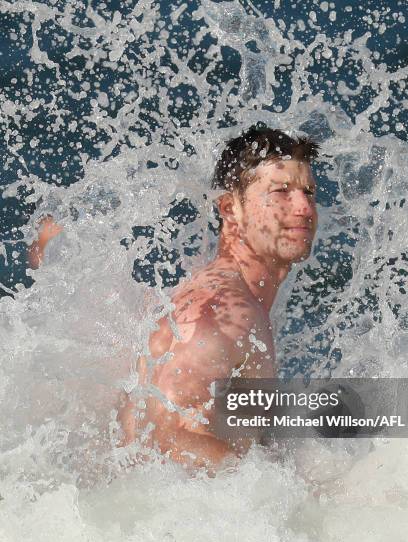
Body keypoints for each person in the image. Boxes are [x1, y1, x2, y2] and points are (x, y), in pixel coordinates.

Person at [28, 125, 319, 473]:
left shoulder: (215, 293)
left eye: (309, 192)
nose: (303, 207)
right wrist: (289, 503)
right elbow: (168, 435)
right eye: (281, 191)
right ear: (230, 209)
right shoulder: (224, 311)